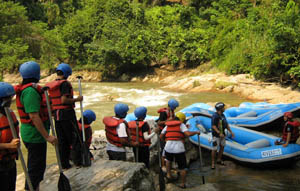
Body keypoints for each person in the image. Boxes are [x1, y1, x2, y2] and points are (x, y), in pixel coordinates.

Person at [15, 61, 57, 191]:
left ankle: (34, 188)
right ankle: (31, 189)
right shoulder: (30, 92)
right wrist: (47, 136)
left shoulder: (31, 88)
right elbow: (33, 116)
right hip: (34, 135)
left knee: (37, 167)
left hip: (34, 134)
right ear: (36, 74)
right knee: (35, 168)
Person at [46, 63, 83, 169]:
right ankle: (78, 161)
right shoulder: (65, 84)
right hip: (66, 114)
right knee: (75, 137)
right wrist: (77, 99)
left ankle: (64, 164)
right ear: (67, 74)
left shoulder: (53, 85)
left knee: (62, 140)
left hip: (57, 114)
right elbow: (64, 100)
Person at [160, 112, 200, 189]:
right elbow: (187, 134)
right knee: (182, 167)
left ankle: (168, 175)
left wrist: (166, 141)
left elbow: (161, 136)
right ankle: (183, 184)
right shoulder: (181, 125)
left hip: (168, 147)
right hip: (179, 148)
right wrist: (196, 132)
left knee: (168, 160)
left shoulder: (167, 126)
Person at [0, 82, 20, 191]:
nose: (10, 102)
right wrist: (9, 145)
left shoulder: (9, 113)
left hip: (9, 162)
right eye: (7, 99)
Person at [211, 102, 234, 169]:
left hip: (222, 134)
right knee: (214, 149)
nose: (224, 108)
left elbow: (226, 124)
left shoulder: (223, 115)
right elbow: (213, 126)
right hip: (216, 135)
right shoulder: (215, 116)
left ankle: (219, 159)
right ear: (220, 108)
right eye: (223, 107)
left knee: (222, 146)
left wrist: (231, 132)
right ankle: (212, 163)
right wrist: (219, 133)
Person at [157, 98, 179, 168]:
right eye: (175, 107)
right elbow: (159, 122)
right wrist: (167, 120)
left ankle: (170, 164)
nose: (175, 108)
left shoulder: (172, 111)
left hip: (168, 131)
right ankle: (163, 166)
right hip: (163, 132)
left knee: (170, 149)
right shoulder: (163, 112)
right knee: (164, 149)